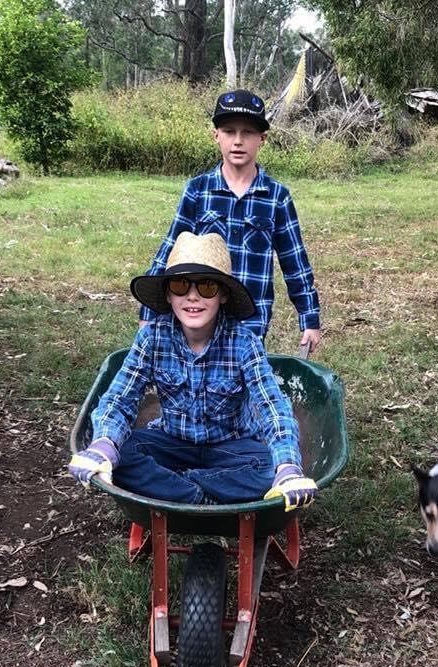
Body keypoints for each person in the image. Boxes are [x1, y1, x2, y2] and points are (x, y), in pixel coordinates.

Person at [69, 231, 317, 510]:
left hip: (231, 447)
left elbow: (272, 405)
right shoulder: (152, 337)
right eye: (180, 285)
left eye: (207, 287)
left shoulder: (244, 341)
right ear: (168, 294)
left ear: (223, 294)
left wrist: (287, 466)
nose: (193, 297)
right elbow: (120, 397)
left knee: (267, 468)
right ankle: (203, 495)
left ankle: (173, 488)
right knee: (120, 452)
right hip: (171, 441)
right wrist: (104, 443)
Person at [138, 88, 322, 354]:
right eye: (229, 131)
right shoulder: (198, 191)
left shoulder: (276, 197)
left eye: (247, 132)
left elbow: (295, 263)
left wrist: (309, 318)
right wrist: (149, 311)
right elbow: (169, 251)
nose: (238, 141)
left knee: (244, 390)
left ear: (262, 139)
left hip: (251, 324)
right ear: (216, 136)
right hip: (201, 317)